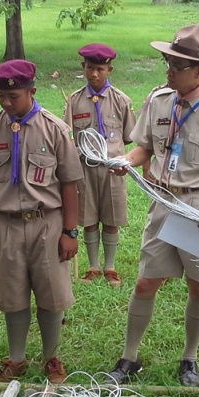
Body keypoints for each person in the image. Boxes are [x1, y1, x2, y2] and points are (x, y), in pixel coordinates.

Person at [106, 24, 199, 386]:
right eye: (167, 62)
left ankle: (189, 359)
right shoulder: (158, 101)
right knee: (145, 282)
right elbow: (145, 148)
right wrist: (126, 161)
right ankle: (129, 358)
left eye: (178, 66)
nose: (169, 70)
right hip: (163, 201)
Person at [0, 59, 83, 384]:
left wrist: (70, 231)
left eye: (14, 96)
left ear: (32, 91)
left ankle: (51, 357)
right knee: (12, 293)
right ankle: (16, 358)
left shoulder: (55, 128)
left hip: (48, 224)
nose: (6, 103)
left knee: (51, 294)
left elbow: (70, 184)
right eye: (1, 96)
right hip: (6, 225)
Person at [64, 43, 136, 287]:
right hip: (85, 168)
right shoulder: (74, 101)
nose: (94, 74)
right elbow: (69, 136)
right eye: (90, 68)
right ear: (83, 67)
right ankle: (93, 266)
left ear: (109, 70)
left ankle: (110, 267)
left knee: (112, 217)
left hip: (112, 170)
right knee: (89, 217)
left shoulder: (121, 100)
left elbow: (128, 136)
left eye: (100, 69)